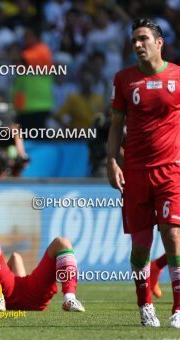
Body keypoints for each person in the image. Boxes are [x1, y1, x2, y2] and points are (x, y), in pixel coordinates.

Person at [107, 19, 180, 328]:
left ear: (159, 42)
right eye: (134, 40)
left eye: (143, 39)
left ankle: (178, 309)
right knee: (140, 248)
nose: (137, 44)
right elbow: (114, 125)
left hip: (171, 170)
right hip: (135, 173)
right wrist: (112, 160)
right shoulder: (124, 79)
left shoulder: (178, 76)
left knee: (173, 235)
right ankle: (144, 304)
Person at [0, 234, 85, 312]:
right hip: (32, 297)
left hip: (4, 290)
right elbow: (15, 257)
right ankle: (70, 299)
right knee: (62, 243)